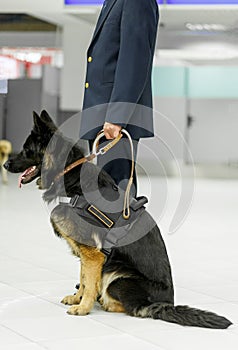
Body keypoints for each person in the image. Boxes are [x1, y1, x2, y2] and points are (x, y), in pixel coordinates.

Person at [79, 0, 159, 195]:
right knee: (106, 192)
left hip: (114, 118)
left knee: (117, 194)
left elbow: (134, 61)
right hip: (102, 113)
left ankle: (127, 227)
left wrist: (117, 117)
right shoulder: (112, 2)